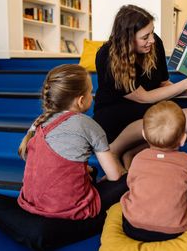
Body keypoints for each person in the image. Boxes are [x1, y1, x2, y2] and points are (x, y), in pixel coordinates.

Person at [93, 4, 187, 168]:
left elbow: (163, 85)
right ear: (127, 39)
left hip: (148, 109)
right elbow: (143, 97)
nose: (152, 39)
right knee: (157, 116)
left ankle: (132, 152)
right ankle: (115, 151)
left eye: (152, 32)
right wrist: (185, 83)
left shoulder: (154, 43)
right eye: (145, 37)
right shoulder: (106, 55)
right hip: (115, 115)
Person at [17, 64, 128, 220]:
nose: (92, 95)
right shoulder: (87, 124)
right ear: (81, 100)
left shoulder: (39, 122)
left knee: (90, 171)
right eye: (90, 92)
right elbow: (115, 176)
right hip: (68, 208)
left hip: (31, 202)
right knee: (126, 180)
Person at [120, 100, 187, 242]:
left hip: (133, 228)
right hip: (174, 230)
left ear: (144, 135)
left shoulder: (138, 158)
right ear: (183, 139)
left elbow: (130, 183)